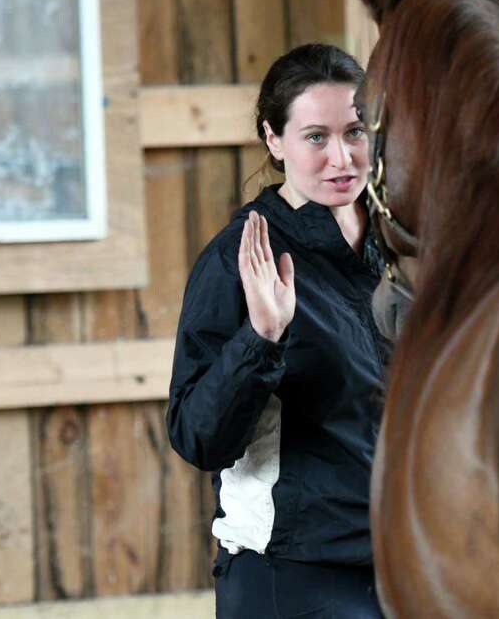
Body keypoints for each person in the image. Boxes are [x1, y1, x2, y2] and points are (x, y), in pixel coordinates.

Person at [166, 43, 389, 618]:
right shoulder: (238, 260)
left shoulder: (401, 250)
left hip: (404, 563)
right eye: (315, 137)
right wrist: (261, 339)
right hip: (291, 578)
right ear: (273, 139)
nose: (342, 158)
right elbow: (198, 437)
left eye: (355, 132)